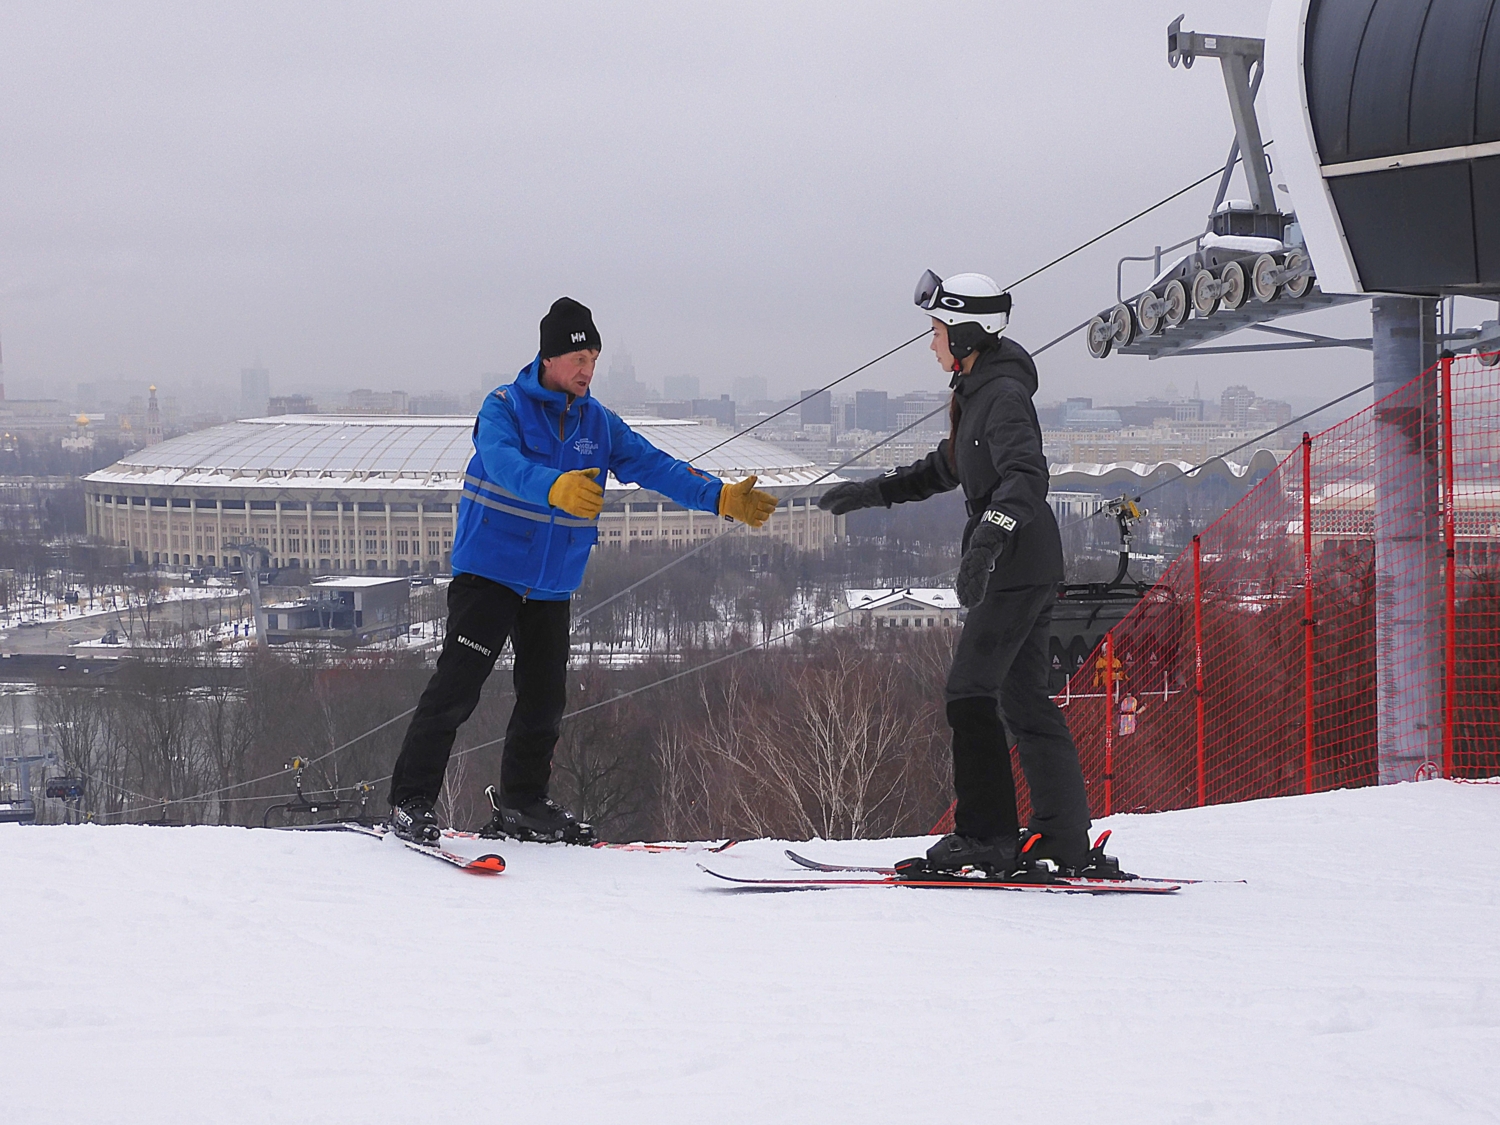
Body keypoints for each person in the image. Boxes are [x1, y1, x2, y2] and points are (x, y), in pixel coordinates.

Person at [387, 297, 778, 844]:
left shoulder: (599, 423)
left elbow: (653, 465)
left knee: (545, 699)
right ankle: (410, 800)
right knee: (456, 689)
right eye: (579, 360)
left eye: (594, 360)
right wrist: (553, 486)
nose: (587, 371)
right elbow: (501, 463)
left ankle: (522, 804)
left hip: (551, 584)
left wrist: (718, 498)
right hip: (490, 574)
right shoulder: (504, 406)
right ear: (549, 358)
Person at [818, 270, 1105, 877]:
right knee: (1022, 697)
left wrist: (987, 543)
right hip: (1024, 559)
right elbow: (945, 467)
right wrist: (872, 492)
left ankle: (986, 836)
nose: (931, 344)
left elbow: (1025, 476)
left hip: (1016, 560)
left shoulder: (1001, 397)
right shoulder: (976, 390)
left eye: (938, 330)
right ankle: (1062, 836)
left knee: (969, 691)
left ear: (968, 333)